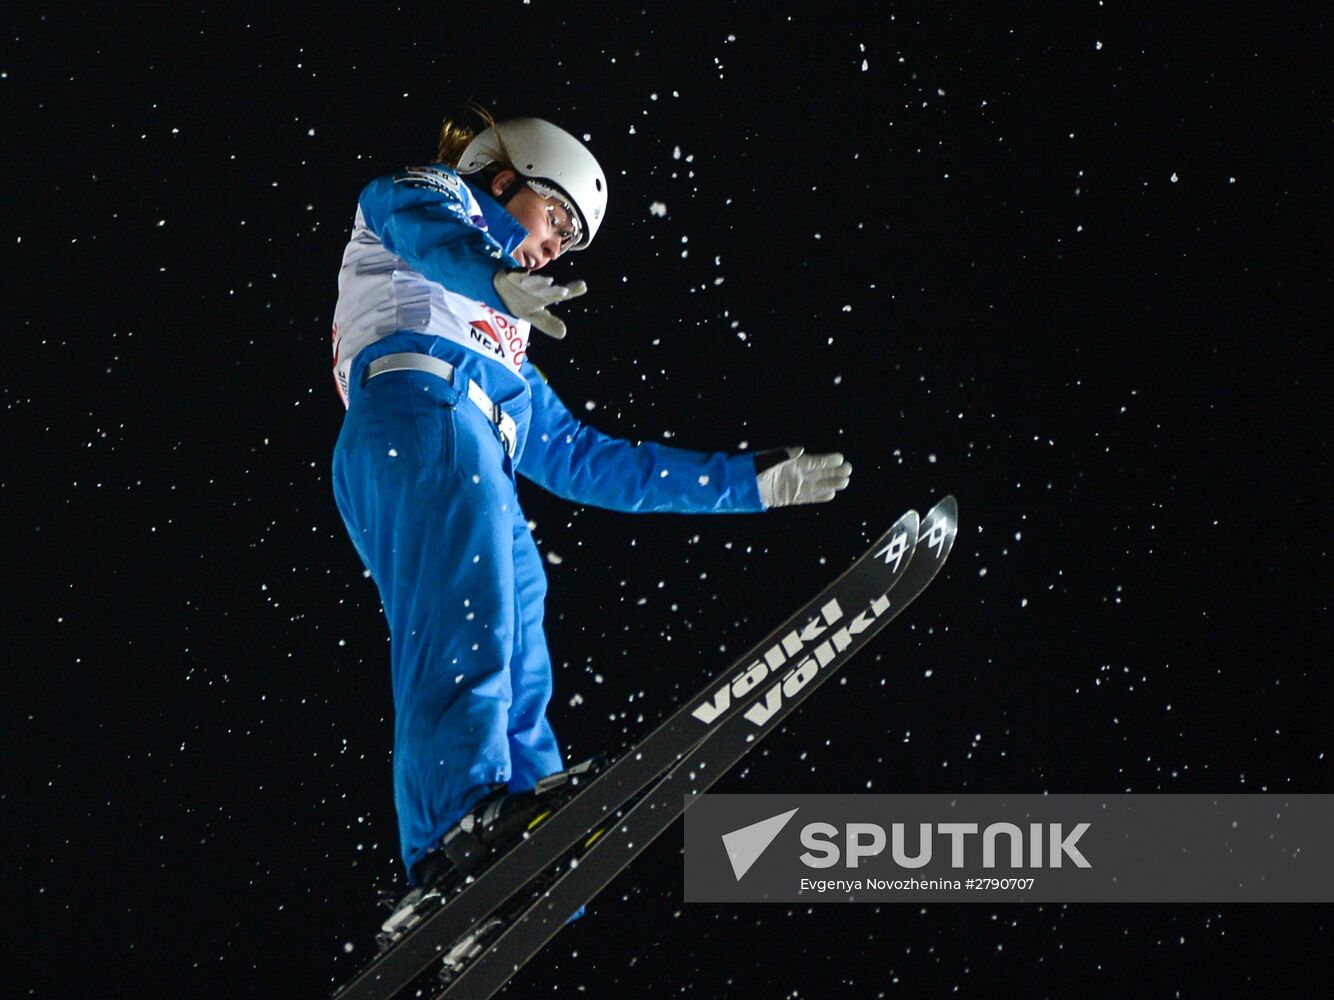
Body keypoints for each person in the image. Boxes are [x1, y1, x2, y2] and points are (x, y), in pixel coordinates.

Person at [329, 110, 852, 897]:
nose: (557, 246)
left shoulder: (504, 335)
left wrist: (742, 484)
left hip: (467, 431)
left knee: (518, 605)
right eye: (557, 218)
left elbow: (581, 457)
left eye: (571, 239)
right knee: (468, 610)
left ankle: (524, 828)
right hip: (418, 410)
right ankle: (454, 826)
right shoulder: (436, 200)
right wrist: (492, 273)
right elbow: (416, 221)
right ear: (504, 178)